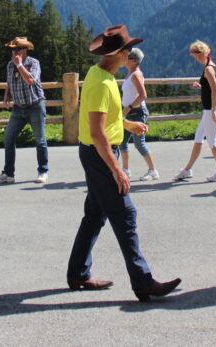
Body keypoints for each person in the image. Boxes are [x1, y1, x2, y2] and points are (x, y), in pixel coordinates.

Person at [66, 25, 181, 302]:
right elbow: (97, 132)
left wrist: (127, 123)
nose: (130, 53)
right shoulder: (103, 84)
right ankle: (142, 282)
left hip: (97, 153)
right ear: (118, 53)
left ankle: (78, 274)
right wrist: (117, 169)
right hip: (101, 155)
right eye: (127, 49)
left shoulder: (99, 74)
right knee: (125, 214)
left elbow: (103, 121)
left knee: (95, 215)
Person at [0, 37, 49, 184]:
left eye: (16, 49)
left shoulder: (33, 63)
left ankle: (43, 171)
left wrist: (20, 65)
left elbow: (30, 80)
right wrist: (6, 97)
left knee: (40, 140)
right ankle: (8, 174)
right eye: (12, 49)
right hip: (18, 108)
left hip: (35, 105)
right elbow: (9, 83)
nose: (13, 52)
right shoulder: (10, 65)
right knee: (8, 139)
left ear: (25, 50)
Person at [173, 41, 216, 182]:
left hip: (211, 110)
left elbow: (215, 89)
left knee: (212, 141)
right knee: (198, 138)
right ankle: (187, 170)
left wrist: (213, 110)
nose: (194, 58)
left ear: (201, 54)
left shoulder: (208, 69)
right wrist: (202, 86)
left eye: (195, 56)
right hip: (211, 109)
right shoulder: (212, 66)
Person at [119, 47, 158, 181]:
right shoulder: (130, 73)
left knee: (139, 143)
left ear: (133, 61)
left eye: (127, 58)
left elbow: (143, 95)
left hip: (137, 112)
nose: (124, 60)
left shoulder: (136, 74)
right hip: (129, 111)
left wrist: (128, 107)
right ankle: (125, 170)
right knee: (122, 141)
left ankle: (153, 171)